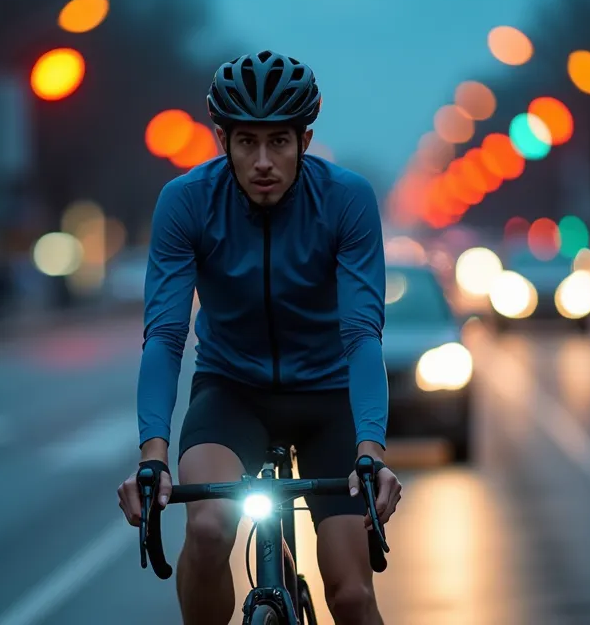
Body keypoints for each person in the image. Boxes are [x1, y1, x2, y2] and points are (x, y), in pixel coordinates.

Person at [116, 51, 402, 625]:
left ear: (305, 140)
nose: (264, 161)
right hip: (232, 392)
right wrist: (152, 456)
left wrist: (371, 450)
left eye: (279, 142)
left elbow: (361, 334)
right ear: (222, 139)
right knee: (206, 529)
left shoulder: (346, 200)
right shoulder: (187, 201)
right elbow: (166, 336)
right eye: (247, 142)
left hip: (327, 397)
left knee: (350, 595)